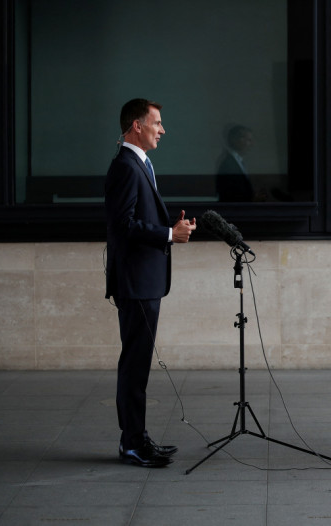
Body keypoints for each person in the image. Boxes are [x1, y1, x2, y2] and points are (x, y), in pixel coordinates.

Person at [105, 98, 197, 468]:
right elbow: (121, 226)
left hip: (145, 281)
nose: (163, 129)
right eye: (156, 123)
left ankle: (138, 438)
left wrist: (172, 231)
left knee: (139, 364)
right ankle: (132, 445)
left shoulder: (139, 163)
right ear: (136, 127)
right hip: (136, 283)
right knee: (135, 365)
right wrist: (167, 234)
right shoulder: (126, 167)